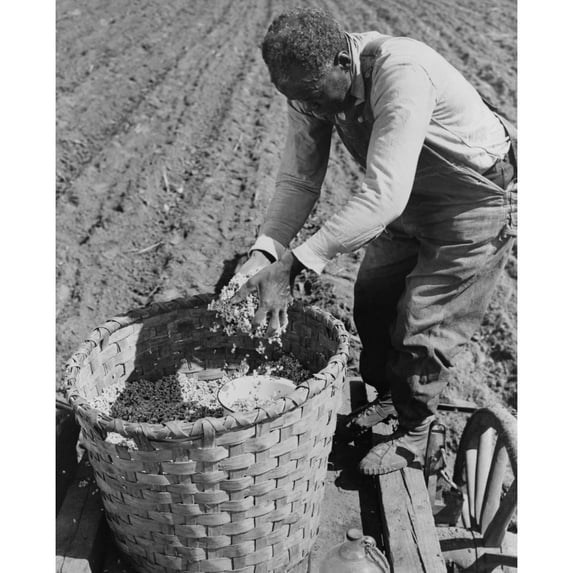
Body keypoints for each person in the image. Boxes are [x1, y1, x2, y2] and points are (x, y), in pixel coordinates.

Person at [234, 7, 517, 476]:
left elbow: (383, 193)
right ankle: (389, 397)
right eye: (297, 99)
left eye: (314, 97)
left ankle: (416, 433)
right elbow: (300, 181)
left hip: (474, 204)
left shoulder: (402, 72)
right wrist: (264, 251)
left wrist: (292, 266)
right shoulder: (308, 91)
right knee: (373, 300)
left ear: (344, 62)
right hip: (408, 199)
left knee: (424, 325)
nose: (313, 109)